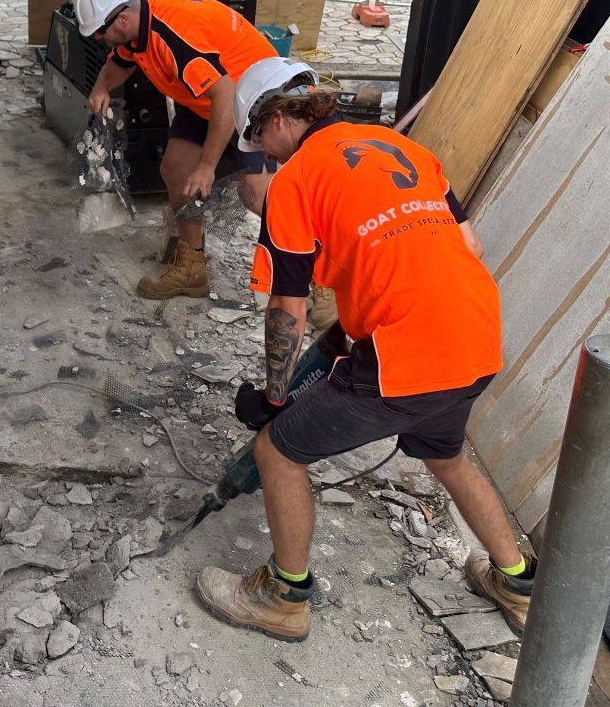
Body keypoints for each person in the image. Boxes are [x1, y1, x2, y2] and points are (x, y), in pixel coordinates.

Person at [194, 57, 534, 642]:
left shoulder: (294, 182)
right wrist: (353, 326)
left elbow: (287, 309)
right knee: (447, 457)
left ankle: (283, 595)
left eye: (257, 140)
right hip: (476, 338)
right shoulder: (397, 147)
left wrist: (276, 400)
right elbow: (467, 244)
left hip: (408, 355)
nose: (263, 156)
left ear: (277, 118)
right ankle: (518, 584)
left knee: (278, 453)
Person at [75, 0, 277, 299]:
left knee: (258, 195)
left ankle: (323, 275)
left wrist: (208, 166)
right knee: (176, 169)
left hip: (254, 104)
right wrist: (101, 88)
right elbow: (121, 60)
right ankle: (193, 267)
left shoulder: (173, 35)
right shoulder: (139, 25)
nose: (98, 39)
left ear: (121, 20)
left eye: (99, 32)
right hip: (210, 97)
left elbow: (225, 95)